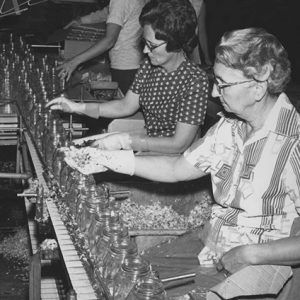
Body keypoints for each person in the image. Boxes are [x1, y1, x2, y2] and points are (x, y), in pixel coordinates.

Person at [62, 28, 300, 298]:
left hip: (258, 268)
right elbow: (177, 169)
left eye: (222, 84)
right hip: (214, 248)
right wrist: (107, 159)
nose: (213, 92)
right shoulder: (231, 127)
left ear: (257, 86)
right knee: (134, 279)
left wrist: (251, 254)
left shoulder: (293, 142)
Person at [47, 0, 209, 155]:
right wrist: (76, 107)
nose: (145, 50)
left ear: (176, 42)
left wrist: (125, 141)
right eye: (145, 43)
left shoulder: (195, 80)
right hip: (148, 148)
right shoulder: (149, 66)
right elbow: (126, 106)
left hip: (177, 160)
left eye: (151, 45)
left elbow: (178, 145)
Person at [58, 0, 148, 95]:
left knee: (123, 106)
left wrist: (73, 62)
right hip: (137, 62)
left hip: (125, 66)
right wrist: (81, 20)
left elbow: (109, 40)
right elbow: (109, 11)